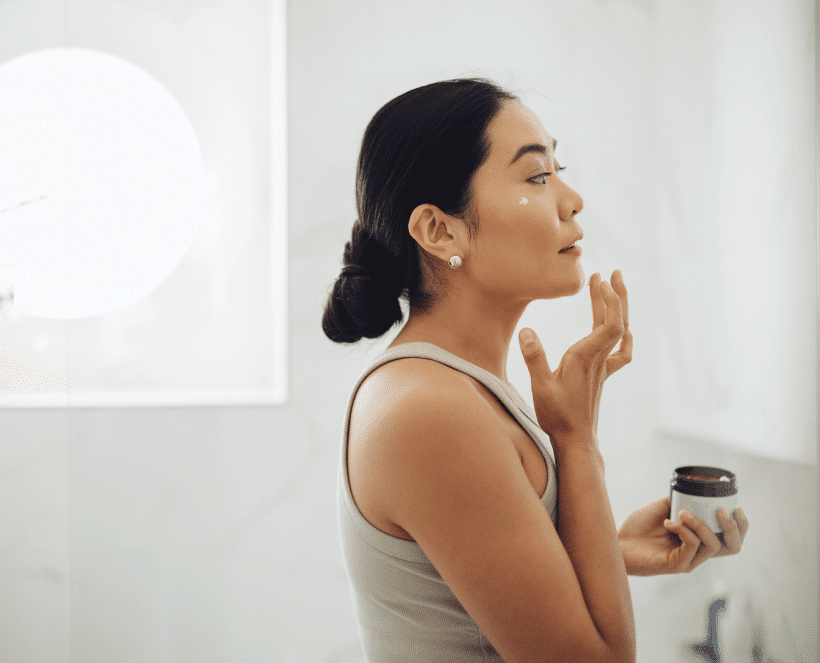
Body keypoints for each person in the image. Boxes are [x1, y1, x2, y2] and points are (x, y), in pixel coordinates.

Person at [322, 78, 748, 663]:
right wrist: (575, 442)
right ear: (440, 231)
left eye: (557, 169)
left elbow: (466, 582)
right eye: (537, 176)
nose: (571, 200)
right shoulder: (430, 408)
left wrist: (612, 548)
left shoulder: (454, 389)